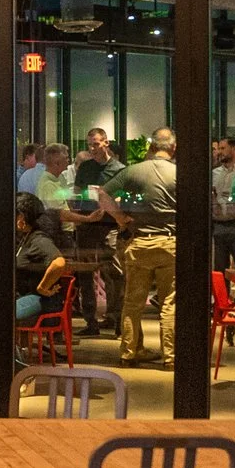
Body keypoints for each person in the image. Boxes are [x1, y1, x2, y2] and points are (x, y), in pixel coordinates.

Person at [96, 128, 178, 365]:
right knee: (169, 302)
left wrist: (121, 219)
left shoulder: (133, 171)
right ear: (173, 147)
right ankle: (171, 357)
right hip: (170, 242)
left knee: (132, 302)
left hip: (140, 241)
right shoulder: (179, 173)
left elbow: (102, 194)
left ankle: (129, 353)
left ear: (151, 147)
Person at [70, 129, 125, 335]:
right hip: (87, 224)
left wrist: (109, 202)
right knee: (85, 273)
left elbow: (123, 197)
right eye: (90, 145)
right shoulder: (85, 167)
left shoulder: (118, 169)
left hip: (109, 225)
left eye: (96, 144)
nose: (92, 149)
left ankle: (116, 318)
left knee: (113, 272)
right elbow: (76, 193)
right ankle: (90, 321)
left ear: (106, 143)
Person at [13, 193, 70, 328]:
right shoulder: (26, 237)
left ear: (21, 217)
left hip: (40, 300)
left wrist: (43, 288)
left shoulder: (39, 239)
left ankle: (13, 349)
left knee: (1, 315)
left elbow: (59, 262)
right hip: (25, 296)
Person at [210, 137, 235, 273]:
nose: (219, 152)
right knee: (219, 268)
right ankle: (222, 294)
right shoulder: (214, 173)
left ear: (234, 149)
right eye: (219, 148)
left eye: (223, 148)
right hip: (218, 225)